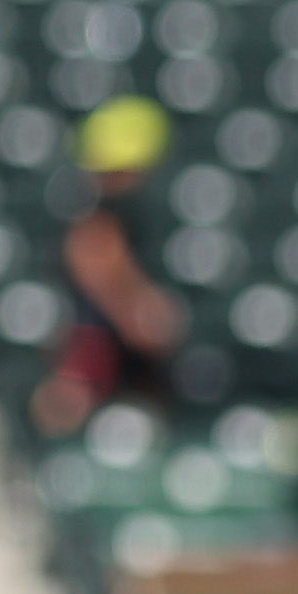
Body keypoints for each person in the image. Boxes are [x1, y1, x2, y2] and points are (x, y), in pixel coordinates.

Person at [44, 93, 186, 434]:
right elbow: (131, 309)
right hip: (100, 362)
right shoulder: (97, 226)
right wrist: (144, 315)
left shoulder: (121, 219)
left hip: (128, 373)